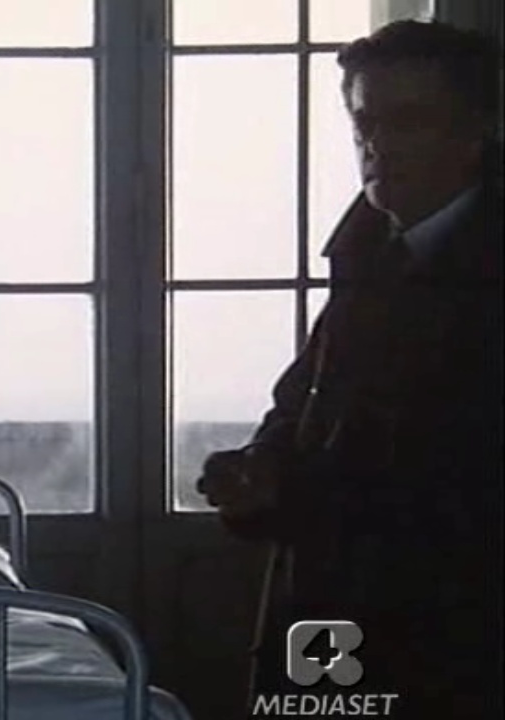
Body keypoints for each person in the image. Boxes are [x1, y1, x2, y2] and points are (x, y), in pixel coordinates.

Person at [196, 19, 502, 719]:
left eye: (411, 120)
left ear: (477, 128)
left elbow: (458, 474)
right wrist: (259, 467)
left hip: (457, 630)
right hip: (340, 607)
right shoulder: (370, 250)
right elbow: (306, 403)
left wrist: (292, 489)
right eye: (366, 121)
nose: (379, 143)